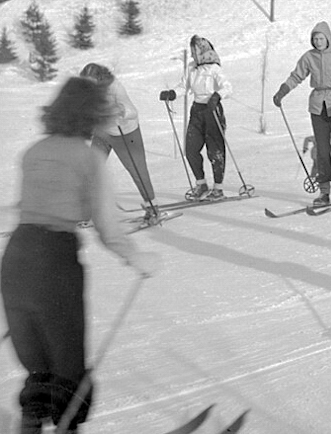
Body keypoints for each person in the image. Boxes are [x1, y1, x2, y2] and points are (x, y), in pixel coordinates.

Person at [2, 77, 157, 433]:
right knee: (67, 369)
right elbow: (108, 227)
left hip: (16, 258)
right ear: (90, 114)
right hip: (54, 262)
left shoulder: (34, 151)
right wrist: (138, 259)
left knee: (37, 368)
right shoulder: (88, 158)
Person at [273, 22, 331, 206]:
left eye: (321, 38)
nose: (318, 41)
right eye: (315, 38)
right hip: (317, 107)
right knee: (322, 150)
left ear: (328, 38)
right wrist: (282, 92)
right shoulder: (308, 57)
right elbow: (296, 76)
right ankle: (324, 192)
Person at [79, 63, 158, 222]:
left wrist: (120, 110)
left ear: (99, 78)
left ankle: (152, 207)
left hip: (125, 133)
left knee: (137, 171)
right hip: (103, 132)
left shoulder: (115, 87)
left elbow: (132, 111)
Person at [166, 35, 231, 201]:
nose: (193, 56)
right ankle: (201, 184)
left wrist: (217, 96)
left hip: (212, 109)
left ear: (202, 52)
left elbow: (227, 87)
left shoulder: (214, 69)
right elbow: (184, 86)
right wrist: (172, 93)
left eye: (194, 52)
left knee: (215, 150)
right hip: (197, 111)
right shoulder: (191, 68)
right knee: (191, 149)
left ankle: (218, 188)